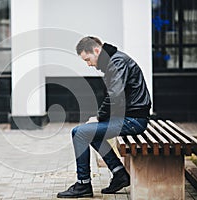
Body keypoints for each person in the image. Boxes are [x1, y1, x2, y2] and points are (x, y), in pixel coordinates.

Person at [57, 36, 152, 198]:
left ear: (96, 50)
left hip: (134, 120)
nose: (88, 64)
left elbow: (115, 96)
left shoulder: (117, 62)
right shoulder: (114, 61)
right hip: (128, 117)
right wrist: (99, 118)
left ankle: (83, 184)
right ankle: (119, 173)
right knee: (88, 132)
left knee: (79, 133)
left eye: (88, 59)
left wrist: (99, 117)